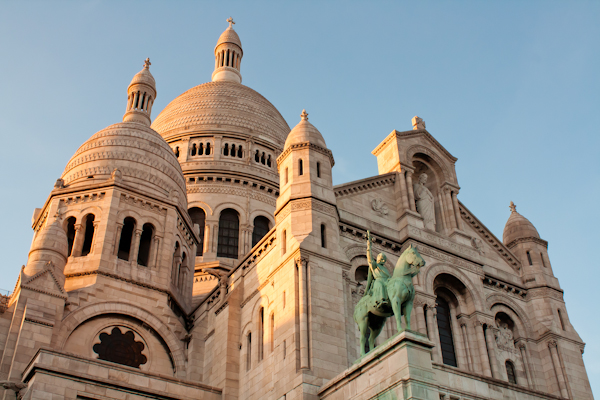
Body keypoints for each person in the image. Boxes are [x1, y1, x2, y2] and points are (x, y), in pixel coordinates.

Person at [365, 230, 391, 309]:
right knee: (380, 284)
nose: (383, 259)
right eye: (381, 258)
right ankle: (380, 300)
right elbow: (369, 258)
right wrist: (369, 245)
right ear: (378, 259)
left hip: (386, 281)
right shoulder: (375, 265)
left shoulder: (386, 269)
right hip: (379, 281)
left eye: (384, 258)